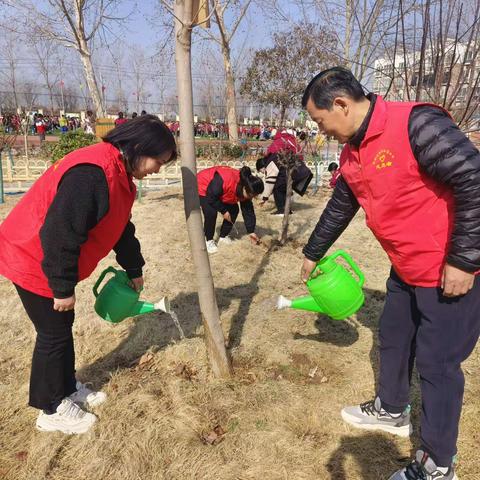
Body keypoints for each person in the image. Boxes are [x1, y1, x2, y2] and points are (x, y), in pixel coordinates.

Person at [300, 66, 480, 480]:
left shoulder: (415, 123)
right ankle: (392, 408)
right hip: (406, 266)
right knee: (393, 335)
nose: (320, 130)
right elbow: (342, 204)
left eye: (319, 120)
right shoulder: (352, 151)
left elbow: (473, 177)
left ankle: (437, 464)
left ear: (340, 105)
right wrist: (313, 251)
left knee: (437, 365)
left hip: (447, 267)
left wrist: (465, 260)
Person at [0, 115, 176, 435]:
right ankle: (50, 408)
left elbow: (122, 227)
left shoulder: (119, 175)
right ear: (137, 147)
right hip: (32, 255)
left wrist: (134, 267)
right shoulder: (93, 173)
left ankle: (65, 386)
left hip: (44, 257)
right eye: (158, 161)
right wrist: (62, 286)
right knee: (52, 333)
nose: (157, 170)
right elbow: (58, 233)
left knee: (61, 328)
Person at [197, 166, 264, 254]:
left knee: (233, 209)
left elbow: (248, 211)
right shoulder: (225, 180)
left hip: (220, 191)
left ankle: (223, 236)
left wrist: (251, 231)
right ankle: (208, 240)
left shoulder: (248, 188)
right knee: (211, 213)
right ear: (244, 188)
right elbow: (211, 197)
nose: (251, 197)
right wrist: (223, 211)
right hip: (203, 185)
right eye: (251, 195)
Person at [255, 131, 313, 216]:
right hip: (299, 171)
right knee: (283, 186)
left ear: (262, 166)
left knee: (277, 187)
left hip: (294, 172)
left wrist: (264, 198)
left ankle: (282, 211)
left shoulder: (271, 159)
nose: (263, 172)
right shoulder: (286, 142)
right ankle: (287, 210)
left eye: (261, 171)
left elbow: (270, 182)